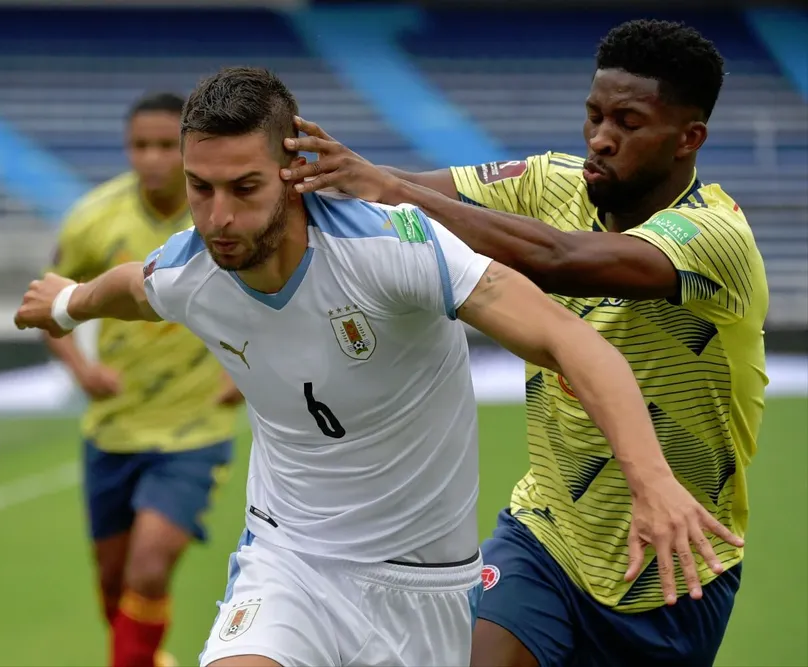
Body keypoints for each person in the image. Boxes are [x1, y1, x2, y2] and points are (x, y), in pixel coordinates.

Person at [16, 66, 741, 667]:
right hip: (288, 565)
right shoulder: (190, 266)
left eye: (244, 189)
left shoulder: (395, 248)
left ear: (293, 173)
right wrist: (69, 303)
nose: (216, 218)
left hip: (428, 590)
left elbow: (569, 340)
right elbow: (133, 287)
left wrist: (652, 481)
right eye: (200, 189)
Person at [280, 18, 767, 667]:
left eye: (627, 123)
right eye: (594, 114)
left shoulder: (716, 237)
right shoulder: (552, 181)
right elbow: (412, 196)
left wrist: (388, 189)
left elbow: (560, 257)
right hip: (544, 535)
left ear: (689, 138)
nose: (600, 137)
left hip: (674, 561)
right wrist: (314, 178)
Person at [43, 92, 243, 667]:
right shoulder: (92, 219)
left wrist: (247, 374)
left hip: (194, 429)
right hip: (113, 428)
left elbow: (274, 299)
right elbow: (48, 305)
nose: (152, 158)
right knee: (113, 583)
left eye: (165, 146)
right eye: (140, 145)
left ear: (186, 151)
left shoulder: (221, 217)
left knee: (149, 566)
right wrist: (82, 369)